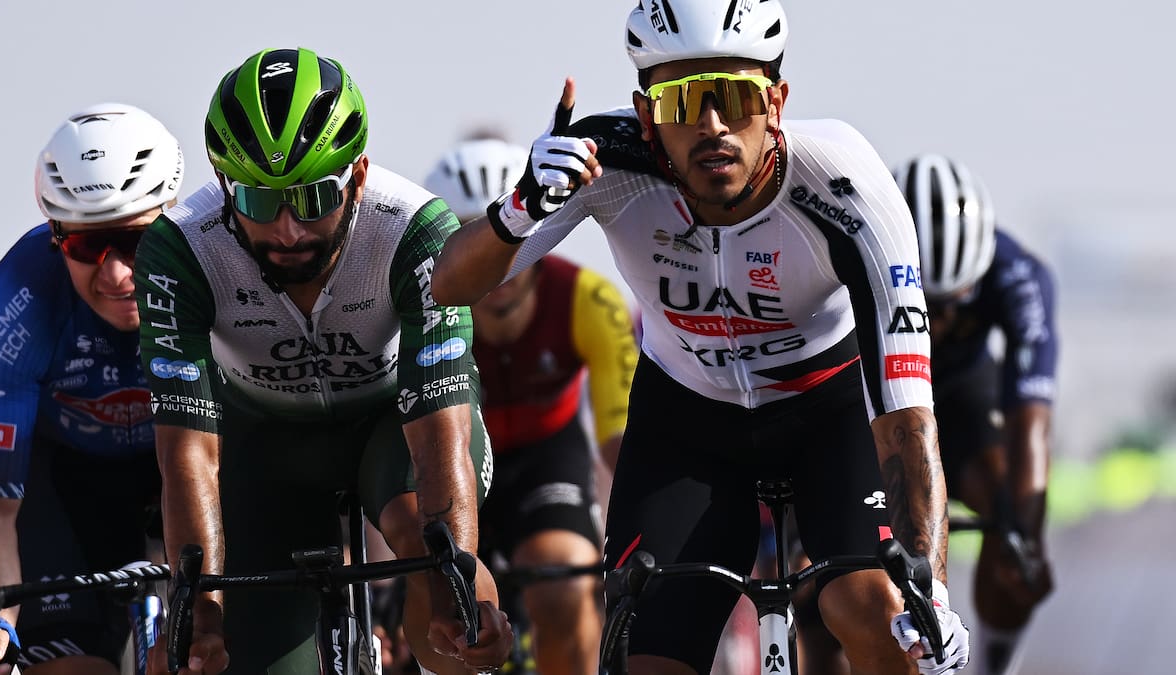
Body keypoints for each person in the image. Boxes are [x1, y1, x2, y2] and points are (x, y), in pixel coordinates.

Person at [431, 1, 972, 673]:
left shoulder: (847, 183)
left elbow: (907, 417)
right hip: (687, 426)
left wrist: (931, 587)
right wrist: (521, 206)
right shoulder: (605, 162)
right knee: (647, 657)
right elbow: (449, 284)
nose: (712, 125)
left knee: (882, 615)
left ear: (776, 101)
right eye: (683, 100)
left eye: (736, 96)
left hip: (826, 414)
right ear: (646, 112)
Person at [131, 47, 512, 675]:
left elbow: (438, 435)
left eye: (313, 198)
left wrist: (461, 591)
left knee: (441, 576)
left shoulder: (416, 231)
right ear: (226, 186)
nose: (287, 231)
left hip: (392, 422)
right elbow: (188, 456)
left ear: (358, 175)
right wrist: (196, 614)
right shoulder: (180, 252)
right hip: (263, 438)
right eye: (257, 202)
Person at [0, 103, 183, 674]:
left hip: (195, 461)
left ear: (173, 219)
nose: (116, 275)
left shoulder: (216, 267)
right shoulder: (17, 302)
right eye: (87, 248)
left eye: (135, 242)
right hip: (64, 480)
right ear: (54, 236)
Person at [425, 137, 639, 675]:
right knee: (436, 609)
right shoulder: (422, 302)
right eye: (475, 239)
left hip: (547, 458)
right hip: (449, 457)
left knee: (564, 580)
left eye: (511, 238)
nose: (498, 265)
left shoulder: (588, 300)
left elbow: (623, 439)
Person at [892, 154, 1056, 675]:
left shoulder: (1020, 275)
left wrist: (1023, 537)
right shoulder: (857, 259)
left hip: (963, 400)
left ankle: (992, 665)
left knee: (1010, 510)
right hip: (878, 398)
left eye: (953, 305)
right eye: (924, 305)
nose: (937, 323)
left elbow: (1031, 419)